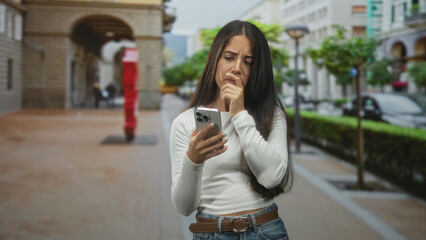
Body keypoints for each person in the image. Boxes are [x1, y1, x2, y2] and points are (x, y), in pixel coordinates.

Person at [170, 20, 293, 240]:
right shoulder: (185, 122)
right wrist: (193, 160)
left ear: (256, 70)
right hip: (212, 232)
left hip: (266, 230)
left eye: (248, 61)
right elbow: (183, 206)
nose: (236, 67)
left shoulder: (271, 115)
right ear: (214, 60)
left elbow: (271, 178)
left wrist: (239, 114)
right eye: (229, 57)